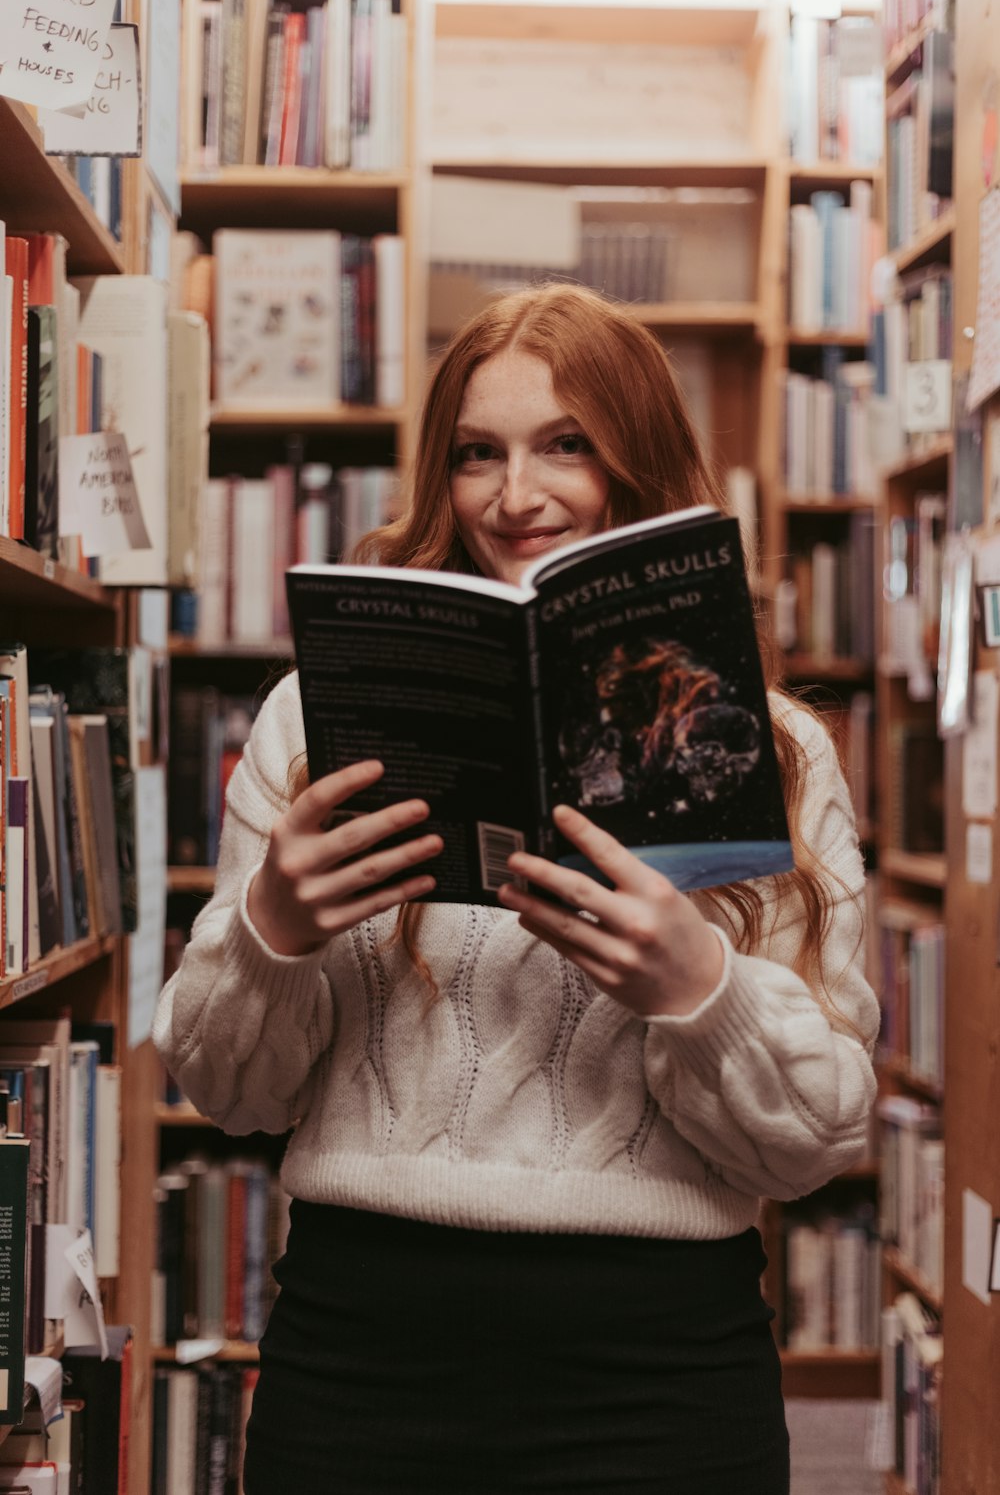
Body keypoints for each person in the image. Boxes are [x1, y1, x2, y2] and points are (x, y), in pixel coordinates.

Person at [154, 284, 879, 1495]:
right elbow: (227, 1091)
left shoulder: (777, 747)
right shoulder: (308, 719)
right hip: (360, 1353)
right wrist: (268, 928)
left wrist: (697, 985)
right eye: (476, 454)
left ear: (638, 462)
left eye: (567, 445)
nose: (514, 496)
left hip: (657, 1375)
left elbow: (811, 1143)